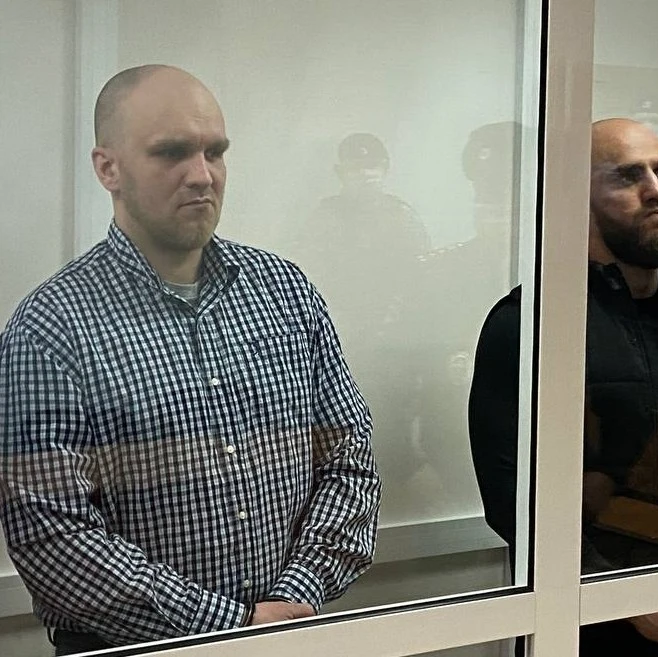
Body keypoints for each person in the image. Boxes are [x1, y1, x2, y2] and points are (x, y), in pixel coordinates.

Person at [0, 65, 381, 655]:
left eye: (215, 152)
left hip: (290, 633)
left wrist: (294, 595)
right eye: (171, 152)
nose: (202, 175)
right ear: (108, 168)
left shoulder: (286, 294)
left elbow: (348, 458)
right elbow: (52, 535)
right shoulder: (51, 330)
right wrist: (229, 624)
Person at [469, 118, 658, 655]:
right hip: (581, 630)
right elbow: (511, 496)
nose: (656, 190)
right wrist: (625, 600)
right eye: (628, 176)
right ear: (572, 195)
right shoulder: (529, 324)